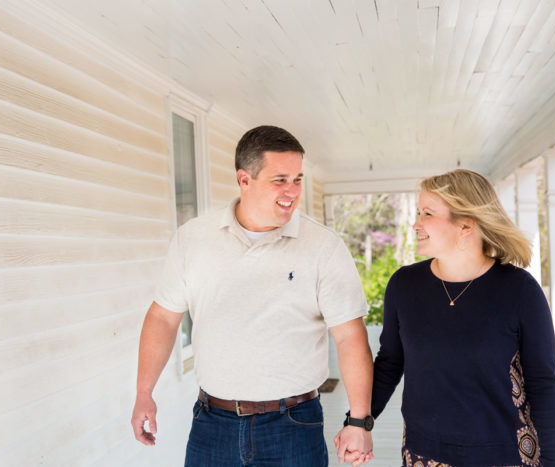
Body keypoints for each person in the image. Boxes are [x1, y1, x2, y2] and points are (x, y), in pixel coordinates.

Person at [130, 125, 374, 466]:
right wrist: (144, 393)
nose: (292, 191)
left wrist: (359, 420)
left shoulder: (323, 247)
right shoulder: (194, 239)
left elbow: (350, 337)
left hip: (293, 425)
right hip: (211, 423)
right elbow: (163, 316)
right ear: (244, 180)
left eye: (298, 179)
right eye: (280, 180)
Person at [352, 169, 555, 466]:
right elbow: (390, 363)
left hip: (505, 455)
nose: (415, 224)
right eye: (418, 212)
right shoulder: (404, 285)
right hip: (423, 455)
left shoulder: (519, 290)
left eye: (427, 213)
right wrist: (358, 422)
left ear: (465, 225)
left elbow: (544, 385)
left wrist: (554, 463)